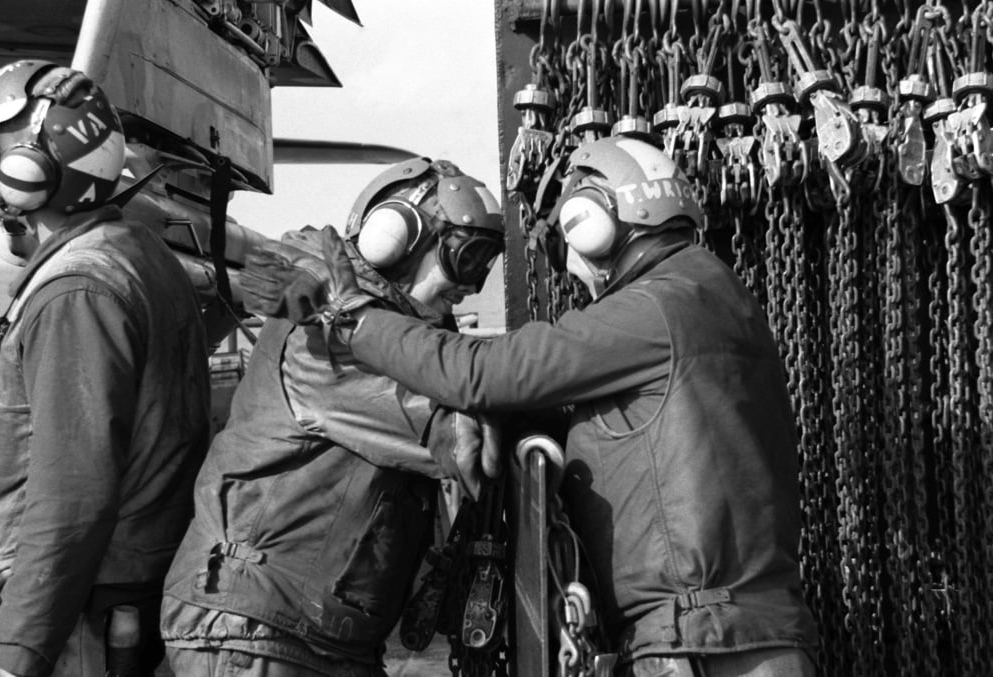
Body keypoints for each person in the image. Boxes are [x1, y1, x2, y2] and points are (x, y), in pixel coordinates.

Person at [240, 135, 821, 676]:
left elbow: (484, 376)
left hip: (704, 637)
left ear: (594, 224)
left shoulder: (660, 305)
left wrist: (355, 318)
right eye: (464, 258)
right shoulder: (715, 296)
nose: (469, 286)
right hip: (730, 631)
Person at [160, 157, 505, 676]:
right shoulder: (324, 339)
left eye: (487, 261)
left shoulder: (384, 330)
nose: (473, 284)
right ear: (397, 237)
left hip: (316, 634)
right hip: (255, 631)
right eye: (464, 257)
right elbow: (461, 439)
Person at [0, 60, 211, 676]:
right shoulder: (128, 248)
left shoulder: (78, 291)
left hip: (75, 623)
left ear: (28, 173)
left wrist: (12, 659)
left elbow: (69, 504)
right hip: (113, 598)